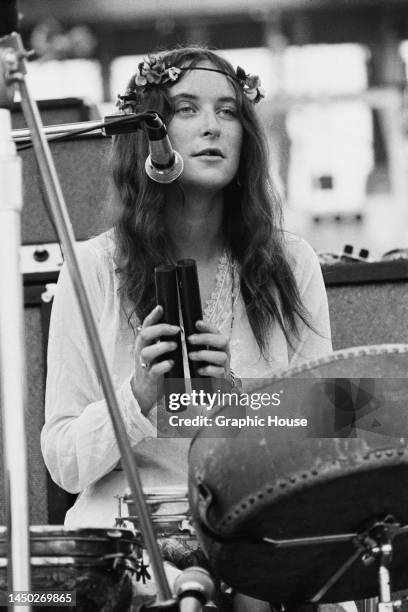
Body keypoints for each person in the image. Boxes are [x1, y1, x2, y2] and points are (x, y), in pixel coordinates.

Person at [41, 46, 332, 608]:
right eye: (187, 109)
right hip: (127, 540)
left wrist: (239, 400)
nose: (212, 127)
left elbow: (334, 424)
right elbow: (63, 461)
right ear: (149, 133)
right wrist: (137, 397)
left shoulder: (291, 264)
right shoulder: (92, 267)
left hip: (251, 533)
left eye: (228, 111)